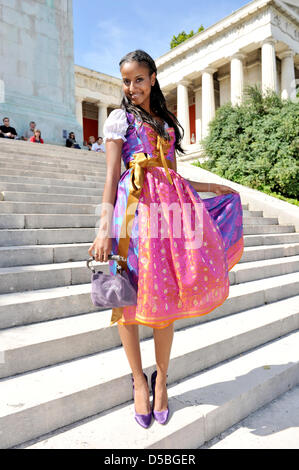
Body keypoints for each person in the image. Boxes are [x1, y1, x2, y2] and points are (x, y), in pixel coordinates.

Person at [88, 50, 244, 428]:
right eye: (126, 81)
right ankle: (139, 381)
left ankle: (162, 380)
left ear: (153, 78)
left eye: (138, 79)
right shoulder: (119, 119)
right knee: (127, 297)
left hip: (171, 215)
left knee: (164, 297)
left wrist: (214, 187)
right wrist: (104, 228)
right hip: (133, 213)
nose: (132, 87)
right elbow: (112, 176)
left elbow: (176, 175)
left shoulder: (166, 123)